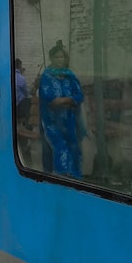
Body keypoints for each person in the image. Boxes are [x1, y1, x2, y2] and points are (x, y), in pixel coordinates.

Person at [38, 42, 85, 178]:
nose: (60, 60)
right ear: (51, 58)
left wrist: (64, 100)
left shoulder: (70, 76)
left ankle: (75, 177)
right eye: (57, 57)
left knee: (74, 147)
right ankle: (61, 178)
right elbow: (50, 100)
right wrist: (70, 100)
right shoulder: (47, 77)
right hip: (51, 121)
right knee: (61, 147)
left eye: (62, 57)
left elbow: (79, 95)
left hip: (69, 120)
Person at [14, 59, 31, 127]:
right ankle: (27, 124)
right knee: (29, 100)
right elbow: (26, 94)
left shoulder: (7, 76)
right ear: (19, 66)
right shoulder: (21, 78)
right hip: (18, 108)